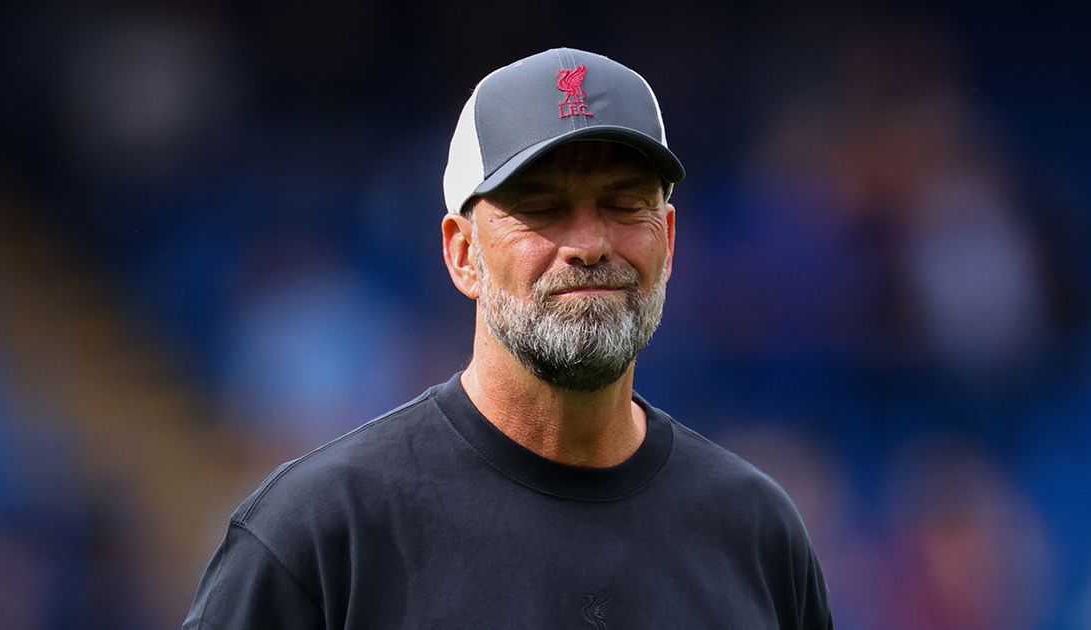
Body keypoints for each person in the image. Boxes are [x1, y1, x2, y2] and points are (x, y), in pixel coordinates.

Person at [184, 47, 834, 629]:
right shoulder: (323, 532)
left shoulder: (755, 532)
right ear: (462, 253)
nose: (588, 244)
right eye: (543, 208)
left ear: (667, 239)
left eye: (622, 203)